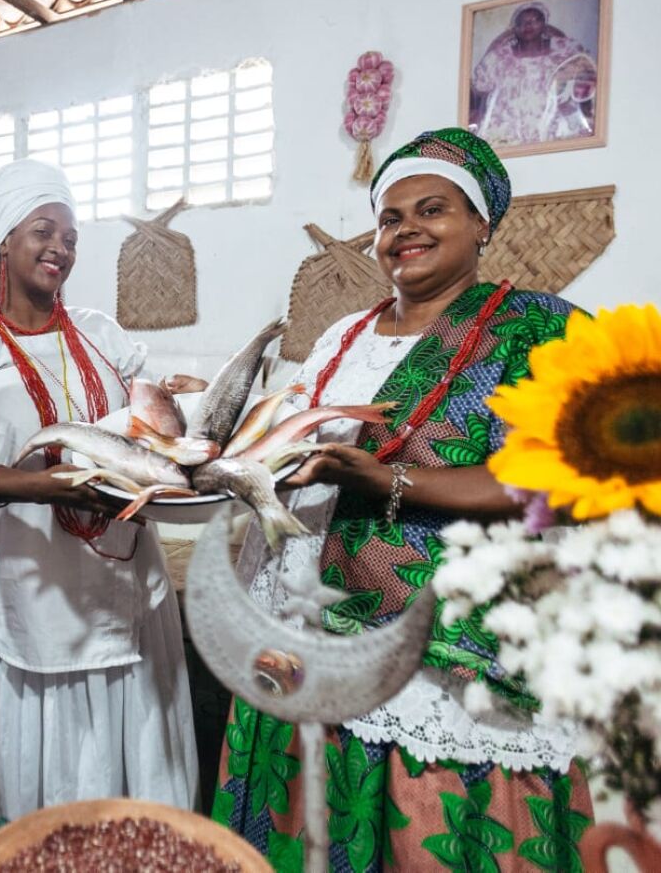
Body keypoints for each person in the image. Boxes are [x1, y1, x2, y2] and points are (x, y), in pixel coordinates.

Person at [212, 129, 593, 869]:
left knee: (418, 831)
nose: (406, 230)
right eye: (390, 218)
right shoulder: (344, 334)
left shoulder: (538, 330)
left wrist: (379, 479)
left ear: (482, 224)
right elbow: (288, 433)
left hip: (435, 648)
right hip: (304, 618)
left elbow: (562, 477)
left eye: (433, 209)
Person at [0, 159, 199, 820]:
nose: (60, 248)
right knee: (43, 758)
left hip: (124, 572)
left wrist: (175, 417)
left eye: (71, 237)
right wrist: (38, 487)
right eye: (43, 230)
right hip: (28, 578)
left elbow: (149, 430)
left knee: (132, 736)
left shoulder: (104, 335)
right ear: (4, 239)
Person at [470, 1, 597, 146]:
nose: (528, 25)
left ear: (544, 24)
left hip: (552, 117)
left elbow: (586, 73)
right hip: (509, 121)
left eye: (535, 20)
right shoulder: (498, 56)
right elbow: (480, 86)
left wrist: (571, 99)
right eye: (522, 22)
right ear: (515, 28)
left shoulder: (565, 49)